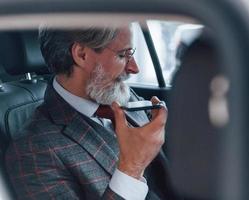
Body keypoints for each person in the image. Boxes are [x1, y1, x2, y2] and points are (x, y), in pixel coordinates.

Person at [5, 25, 168, 200]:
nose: (134, 68)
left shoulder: (125, 97)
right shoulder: (32, 152)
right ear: (81, 54)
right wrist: (132, 167)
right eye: (123, 55)